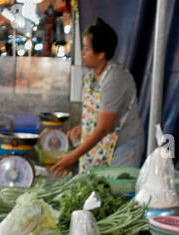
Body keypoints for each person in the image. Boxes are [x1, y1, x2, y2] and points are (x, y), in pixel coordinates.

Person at [49, 18, 144, 175]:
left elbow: (104, 128)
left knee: (115, 194)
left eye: (86, 49)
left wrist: (73, 156)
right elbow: (98, 115)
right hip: (101, 146)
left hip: (121, 149)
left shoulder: (114, 78)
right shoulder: (91, 75)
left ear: (101, 54)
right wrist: (82, 128)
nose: (82, 53)